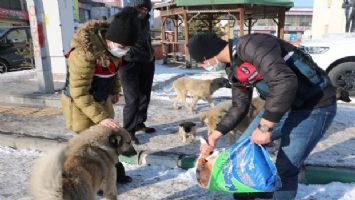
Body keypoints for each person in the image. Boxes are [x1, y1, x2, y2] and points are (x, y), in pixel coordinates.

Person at [188, 32, 337, 200]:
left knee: (285, 168)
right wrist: (214, 135)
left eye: (200, 63)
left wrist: (265, 126)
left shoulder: (253, 45)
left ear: (207, 58)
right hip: (282, 105)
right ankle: (248, 193)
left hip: (314, 106)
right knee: (242, 153)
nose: (203, 67)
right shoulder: (234, 66)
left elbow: (285, 82)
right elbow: (240, 105)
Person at [61, 7, 139, 184]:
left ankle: (114, 174)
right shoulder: (84, 54)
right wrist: (101, 117)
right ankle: (82, 182)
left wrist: (115, 90)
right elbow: (79, 92)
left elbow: (113, 71)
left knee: (108, 139)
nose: (124, 51)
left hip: (101, 99)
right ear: (109, 40)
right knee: (88, 147)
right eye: (122, 47)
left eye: (128, 48)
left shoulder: (112, 49)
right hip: (80, 105)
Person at [120, 0, 156, 144]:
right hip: (129, 63)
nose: (145, 11)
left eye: (147, 8)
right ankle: (128, 132)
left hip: (147, 61)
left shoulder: (146, 20)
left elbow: (146, 39)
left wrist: (151, 55)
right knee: (132, 100)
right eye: (141, 8)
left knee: (144, 96)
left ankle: (139, 122)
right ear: (134, 7)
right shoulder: (124, 19)